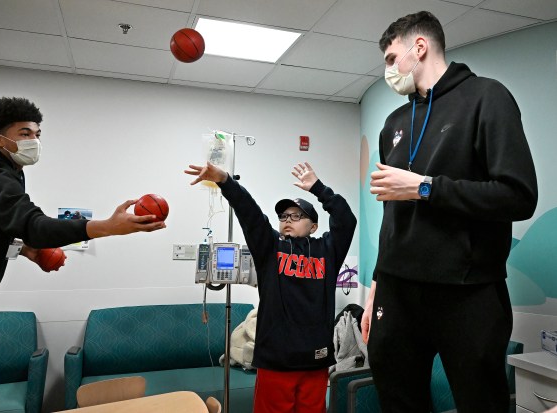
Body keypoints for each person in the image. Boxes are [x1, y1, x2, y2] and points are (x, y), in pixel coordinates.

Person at [0, 97, 166, 412]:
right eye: (24, 133)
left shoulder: (3, 172)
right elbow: (34, 225)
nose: (34, 140)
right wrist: (107, 227)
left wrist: (28, 250)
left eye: (37, 134)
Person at [362, 11, 538, 413]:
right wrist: (376, 286)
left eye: (391, 58)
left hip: (467, 292)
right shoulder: (393, 123)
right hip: (397, 290)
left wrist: (425, 187)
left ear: (419, 47)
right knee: (397, 400)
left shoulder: (487, 97)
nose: (388, 71)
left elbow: (518, 195)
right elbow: (393, 217)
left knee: (481, 403)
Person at [185, 161, 356, 413]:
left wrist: (319, 188)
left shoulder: (327, 250)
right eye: (283, 216)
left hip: (315, 359)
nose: (288, 220)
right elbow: (250, 214)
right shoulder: (271, 247)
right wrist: (225, 181)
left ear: (314, 226)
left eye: (297, 216)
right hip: (276, 360)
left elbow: (346, 220)